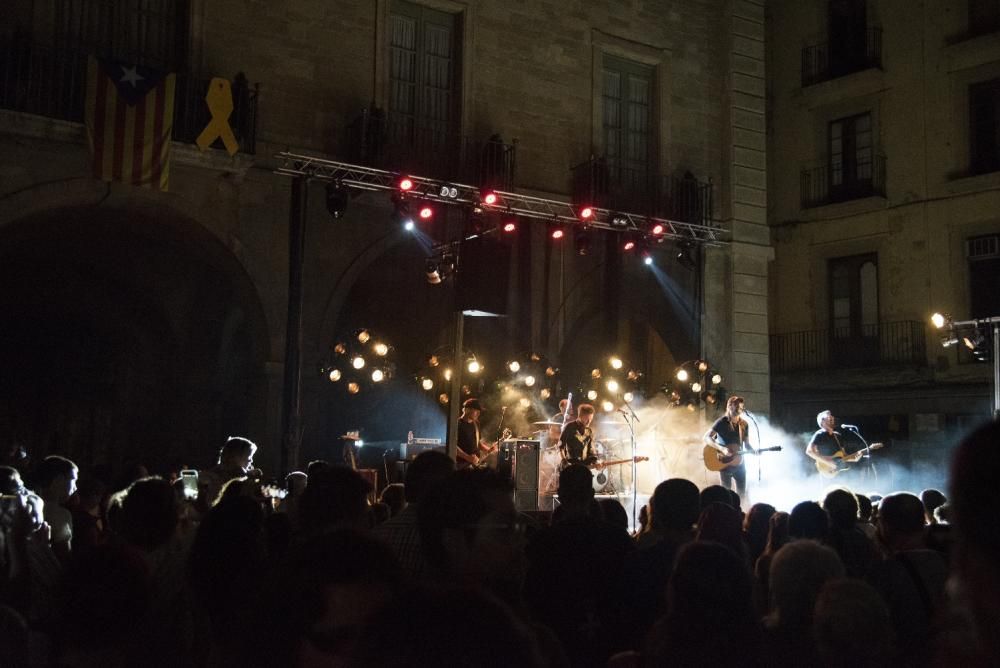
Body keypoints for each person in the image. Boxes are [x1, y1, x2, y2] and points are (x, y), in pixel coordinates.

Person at [703, 396, 754, 497]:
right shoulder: (722, 422)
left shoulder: (744, 424)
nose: (740, 409)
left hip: (740, 464)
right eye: (737, 406)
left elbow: (747, 444)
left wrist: (753, 451)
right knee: (725, 495)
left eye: (741, 407)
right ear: (730, 406)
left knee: (742, 495)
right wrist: (722, 449)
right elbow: (706, 437)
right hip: (725, 464)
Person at [455, 398, 497, 469]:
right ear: (467, 410)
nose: (478, 414)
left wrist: (488, 449)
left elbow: (478, 443)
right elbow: (453, 446)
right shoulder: (457, 424)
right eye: (476, 411)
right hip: (461, 465)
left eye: (479, 411)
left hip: (474, 464)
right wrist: (467, 457)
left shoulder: (476, 424)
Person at [559, 403, 599, 468]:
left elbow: (591, 449)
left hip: (585, 467)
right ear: (580, 416)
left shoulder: (589, 431)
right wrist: (564, 461)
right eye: (587, 419)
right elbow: (561, 447)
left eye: (591, 419)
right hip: (571, 465)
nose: (589, 422)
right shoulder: (569, 427)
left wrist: (596, 462)